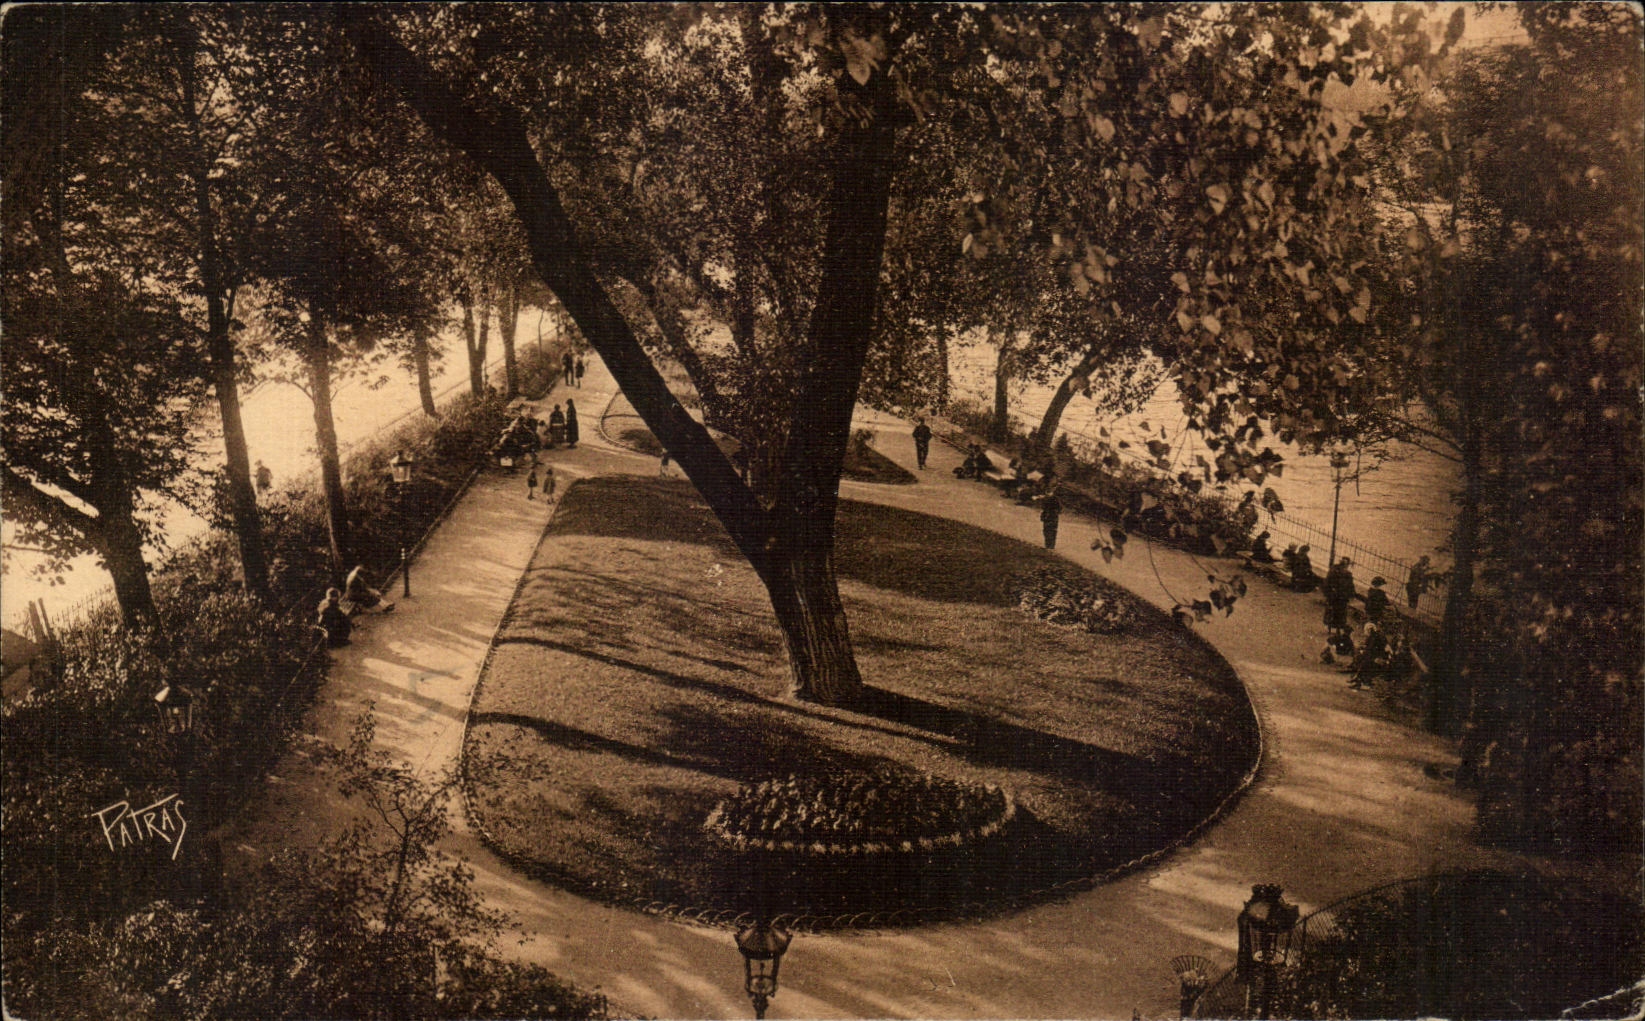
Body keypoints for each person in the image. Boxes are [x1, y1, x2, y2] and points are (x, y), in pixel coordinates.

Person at [1324, 556, 1355, 635]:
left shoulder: (1333, 570)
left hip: (1333, 595)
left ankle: (1329, 628)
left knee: (1332, 611)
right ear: (1346, 565)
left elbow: (1327, 582)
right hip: (1342, 597)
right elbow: (1350, 586)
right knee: (1340, 613)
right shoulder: (1347, 574)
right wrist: (1351, 595)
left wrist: (1327, 593)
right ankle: (1338, 629)